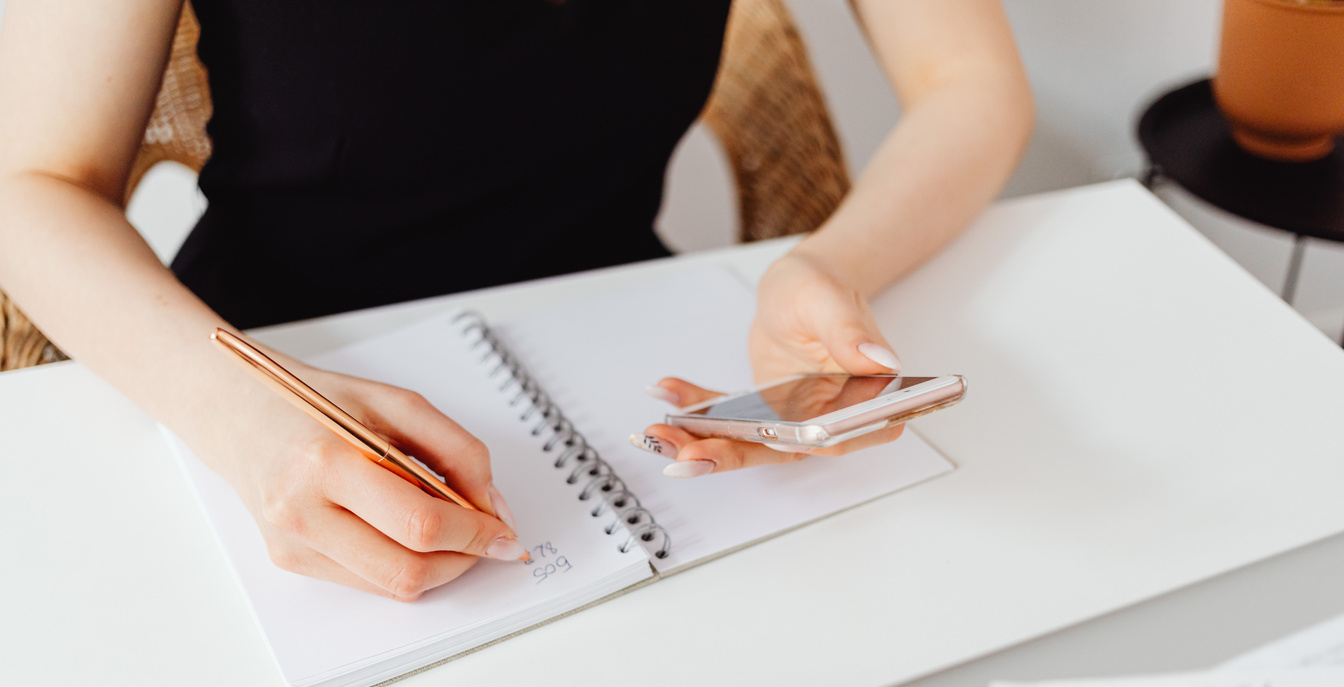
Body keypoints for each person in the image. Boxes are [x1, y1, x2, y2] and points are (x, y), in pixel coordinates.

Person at [0, 0, 1032, 600]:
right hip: (258, 364)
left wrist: (829, 266)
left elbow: (970, 82)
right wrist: (241, 417)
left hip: (619, 340)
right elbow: (29, 183)